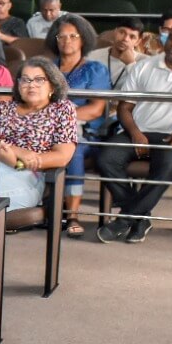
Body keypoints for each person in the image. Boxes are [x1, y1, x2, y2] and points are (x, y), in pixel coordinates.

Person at [95, 18, 172, 244]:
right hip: (138, 131)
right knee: (105, 157)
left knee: (168, 166)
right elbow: (125, 107)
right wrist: (134, 132)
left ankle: (125, 220)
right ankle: (140, 218)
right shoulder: (144, 65)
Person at [0, 57, 78, 211]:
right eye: (25, 80)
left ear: (52, 85)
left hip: (30, 175)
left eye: (39, 80)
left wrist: (18, 162)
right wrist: (14, 151)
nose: (31, 85)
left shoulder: (62, 109)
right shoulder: (3, 108)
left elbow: (63, 156)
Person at [47, 14, 110, 238]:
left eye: (73, 36)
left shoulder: (95, 69)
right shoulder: (46, 68)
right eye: (61, 36)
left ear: (83, 39)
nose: (67, 40)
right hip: (46, 129)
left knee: (72, 150)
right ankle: (36, 208)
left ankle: (72, 215)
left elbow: (95, 109)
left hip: (85, 132)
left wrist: (61, 118)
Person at [86, 16, 144, 89]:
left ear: (138, 42)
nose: (125, 39)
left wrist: (131, 64)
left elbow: (144, 86)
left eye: (132, 37)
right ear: (115, 32)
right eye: (122, 32)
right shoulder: (92, 56)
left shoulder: (145, 62)